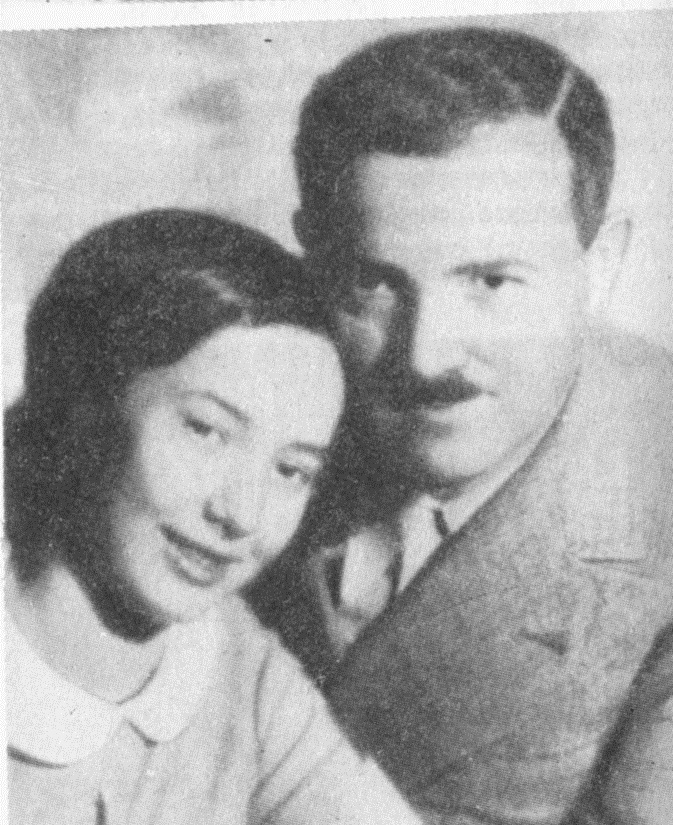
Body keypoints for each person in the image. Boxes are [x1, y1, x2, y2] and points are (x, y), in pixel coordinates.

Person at [247, 26, 673, 824]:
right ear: (312, 259)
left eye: (491, 281)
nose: (426, 353)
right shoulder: (222, 398)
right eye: (374, 283)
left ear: (601, 266)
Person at [4, 208, 423, 825]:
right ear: (85, 403)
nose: (241, 515)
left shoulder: (236, 664)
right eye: (206, 431)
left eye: (291, 471)